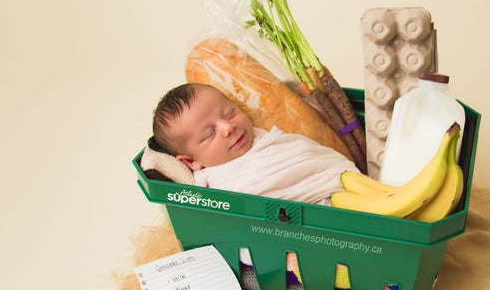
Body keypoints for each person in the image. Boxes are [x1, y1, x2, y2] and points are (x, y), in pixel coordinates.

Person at [152, 83, 360, 205]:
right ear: (191, 161)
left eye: (229, 113)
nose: (227, 127)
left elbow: (312, 157)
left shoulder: (269, 140)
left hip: (344, 195)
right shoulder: (216, 189)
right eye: (209, 134)